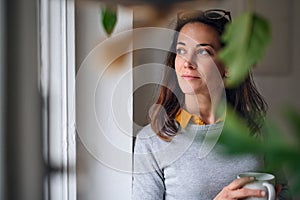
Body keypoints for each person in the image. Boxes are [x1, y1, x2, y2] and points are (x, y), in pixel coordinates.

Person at [132, 9, 290, 199]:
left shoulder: (258, 130)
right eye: (181, 50)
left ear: (229, 66)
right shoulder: (151, 141)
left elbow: (284, 193)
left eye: (203, 52)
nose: (187, 63)